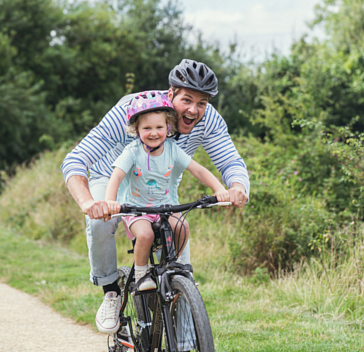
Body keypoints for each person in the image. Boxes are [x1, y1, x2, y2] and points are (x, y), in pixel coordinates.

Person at [61, 59, 249, 336]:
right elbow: (76, 160)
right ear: (171, 94)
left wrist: (237, 187)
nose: (193, 110)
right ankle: (112, 293)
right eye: (187, 100)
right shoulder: (132, 110)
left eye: (202, 103)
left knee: (182, 269)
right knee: (101, 223)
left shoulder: (207, 120)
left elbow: (230, 160)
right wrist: (89, 203)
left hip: (160, 190)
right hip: (112, 179)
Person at [104, 92, 230, 292]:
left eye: (159, 127)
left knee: (182, 227)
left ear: (168, 127)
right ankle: (141, 273)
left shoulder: (172, 149)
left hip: (166, 206)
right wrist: (109, 202)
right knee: (144, 235)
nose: (154, 133)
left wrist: (219, 189)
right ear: (136, 130)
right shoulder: (132, 152)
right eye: (147, 128)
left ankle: (177, 267)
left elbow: (198, 170)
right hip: (137, 209)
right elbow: (116, 177)